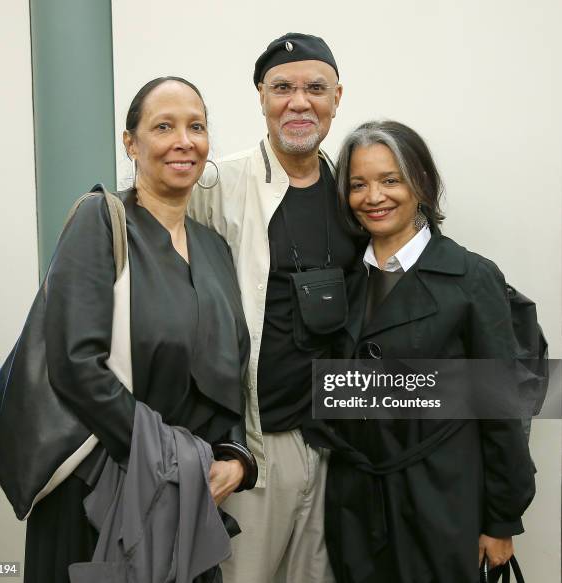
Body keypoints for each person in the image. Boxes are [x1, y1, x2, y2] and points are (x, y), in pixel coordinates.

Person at [24, 77, 256, 583]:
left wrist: (236, 456)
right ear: (131, 143)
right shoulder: (101, 222)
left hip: (184, 499)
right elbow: (75, 366)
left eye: (196, 126)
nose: (184, 140)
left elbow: (227, 368)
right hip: (99, 489)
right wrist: (172, 462)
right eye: (163, 126)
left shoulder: (215, 248)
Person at [322, 120, 536, 582]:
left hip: (442, 499)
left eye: (390, 180)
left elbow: (501, 408)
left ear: (421, 183)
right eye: (358, 184)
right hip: (353, 503)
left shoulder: (472, 276)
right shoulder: (341, 280)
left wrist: (501, 518)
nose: (373, 196)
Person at [188, 33, 358, 583]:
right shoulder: (218, 183)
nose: (299, 102)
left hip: (336, 441)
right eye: (282, 87)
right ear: (261, 96)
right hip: (258, 448)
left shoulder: (353, 190)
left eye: (315, 88)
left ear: (337, 98)